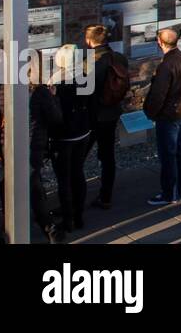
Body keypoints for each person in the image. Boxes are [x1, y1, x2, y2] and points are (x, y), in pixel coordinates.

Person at [0, 51, 65, 243]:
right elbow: (56, 119)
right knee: (34, 190)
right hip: (32, 149)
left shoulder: (2, 90)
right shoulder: (39, 91)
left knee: (8, 192)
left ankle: (8, 232)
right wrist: (54, 97)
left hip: (6, 150)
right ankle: (50, 230)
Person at [143, 27, 181, 207]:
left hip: (169, 114)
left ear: (160, 42)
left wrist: (150, 112)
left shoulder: (166, 65)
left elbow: (159, 94)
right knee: (179, 152)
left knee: (168, 154)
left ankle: (169, 193)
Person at [46, 44, 91, 236]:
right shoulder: (84, 77)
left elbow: (52, 112)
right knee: (78, 173)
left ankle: (68, 218)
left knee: (64, 179)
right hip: (82, 132)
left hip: (63, 137)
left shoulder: (56, 81)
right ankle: (78, 215)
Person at [84, 24, 128, 210]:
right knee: (108, 155)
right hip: (112, 112)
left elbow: (85, 93)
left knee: (79, 156)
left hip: (93, 116)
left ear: (89, 40)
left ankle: (74, 197)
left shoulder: (89, 62)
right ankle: (106, 195)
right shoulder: (120, 58)